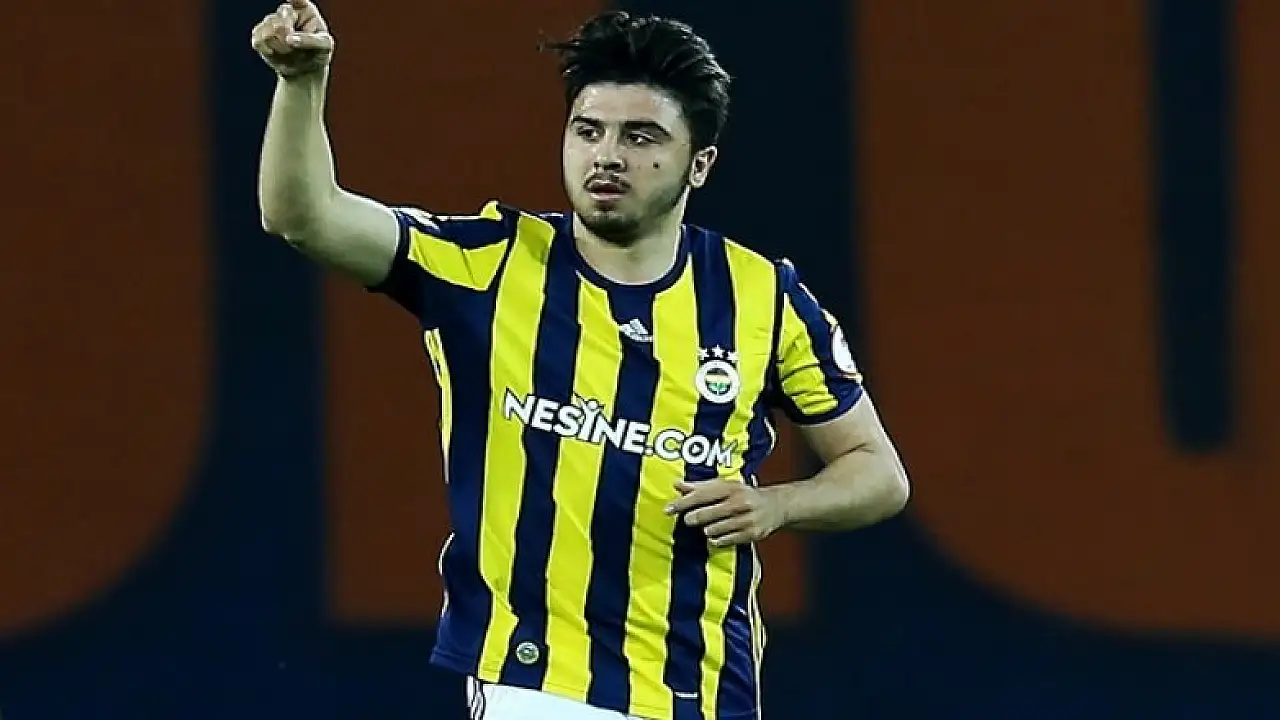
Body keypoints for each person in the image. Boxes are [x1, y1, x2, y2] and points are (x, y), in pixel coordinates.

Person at [252, 3, 910, 718]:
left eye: (640, 136)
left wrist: (777, 505)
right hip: (536, 682)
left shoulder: (764, 299)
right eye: (588, 130)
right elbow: (303, 217)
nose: (607, 156)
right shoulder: (490, 265)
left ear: (700, 164)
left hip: (701, 689)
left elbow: (877, 473)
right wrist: (301, 83)